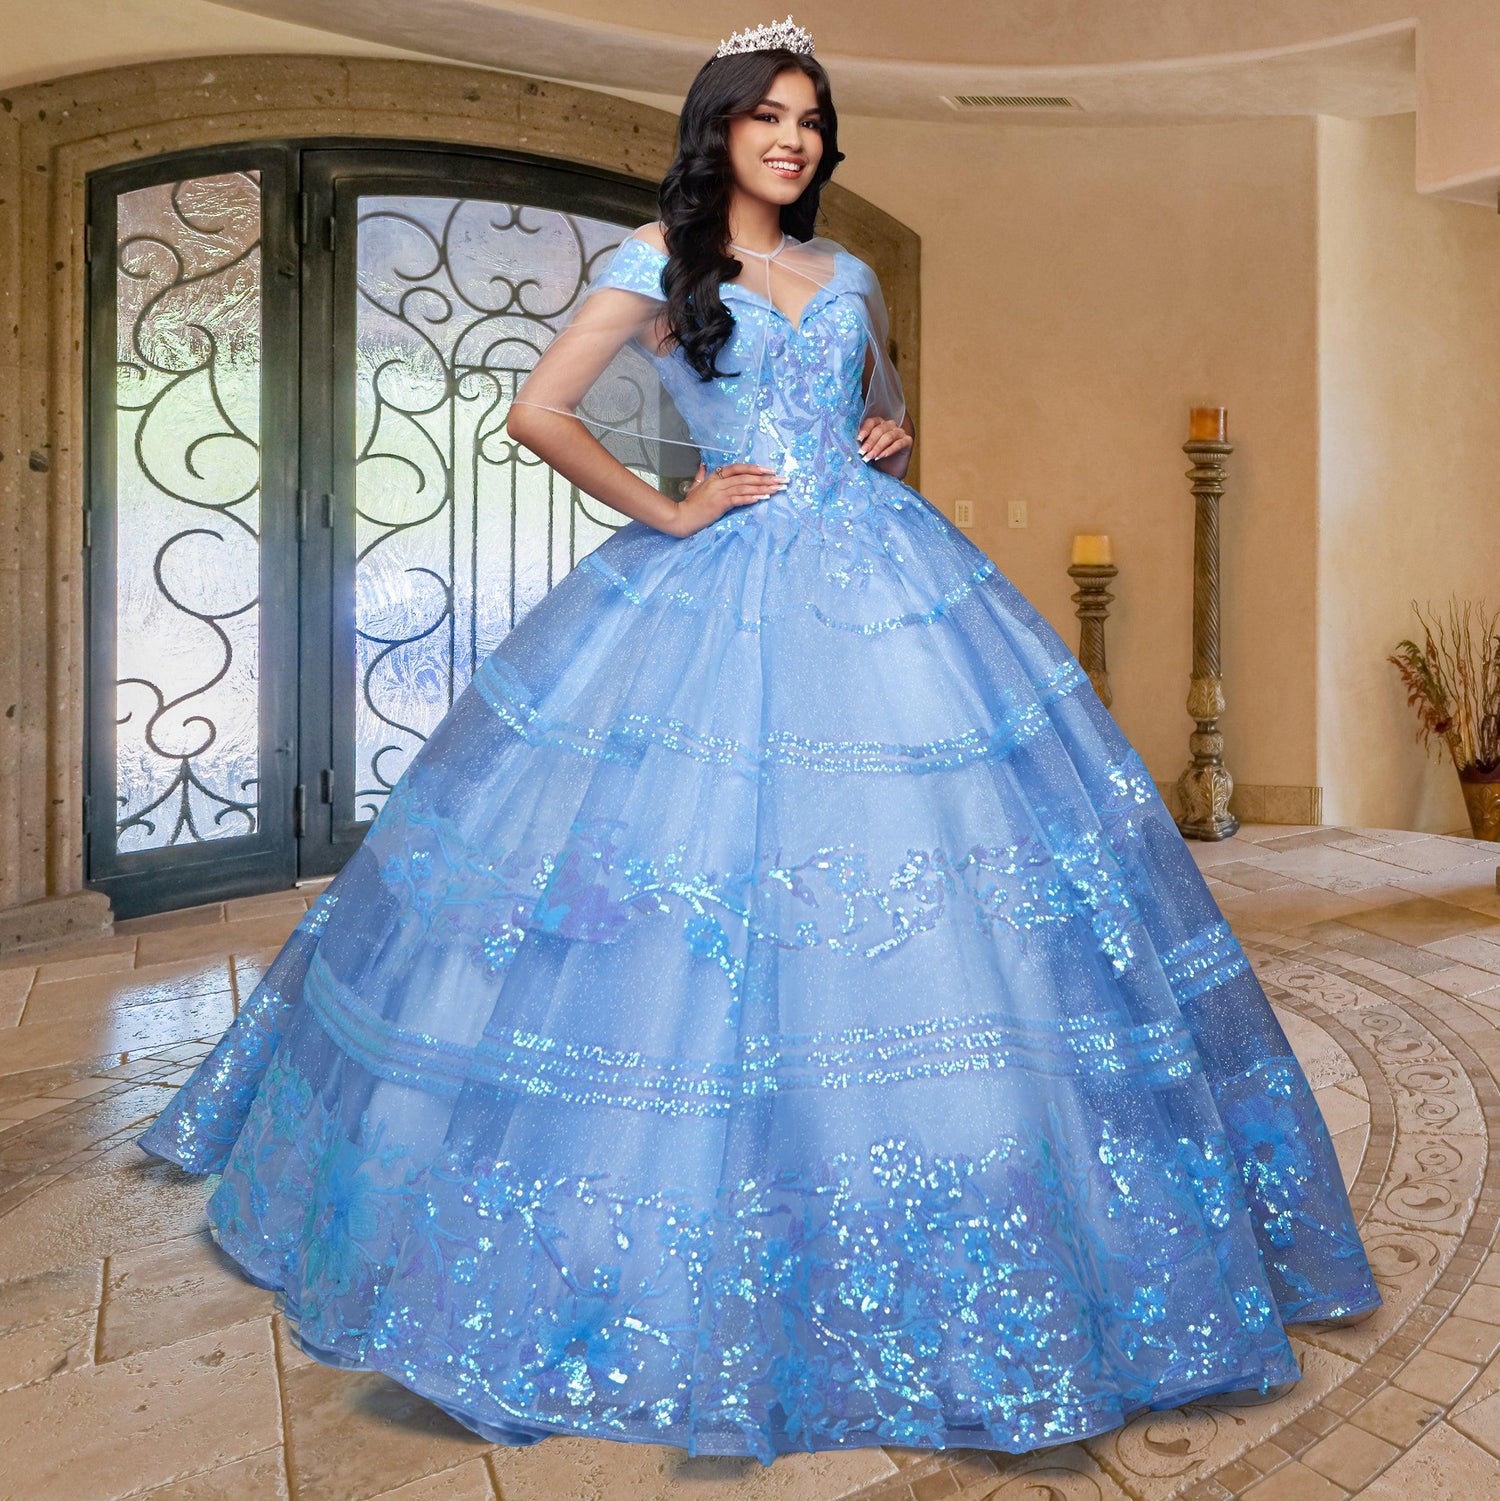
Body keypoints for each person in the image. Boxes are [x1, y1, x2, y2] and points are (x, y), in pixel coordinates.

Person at [138, 15, 1379, 1466]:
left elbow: (882, 406)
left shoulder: (847, 272)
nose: (792, 137)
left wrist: (884, 439)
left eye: (808, 118)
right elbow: (540, 406)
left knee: (932, 887)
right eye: (767, 115)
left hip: (887, 582)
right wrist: (670, 505)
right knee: (685, 890)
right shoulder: (661, 272)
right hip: (722, 587)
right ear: (718, 128)